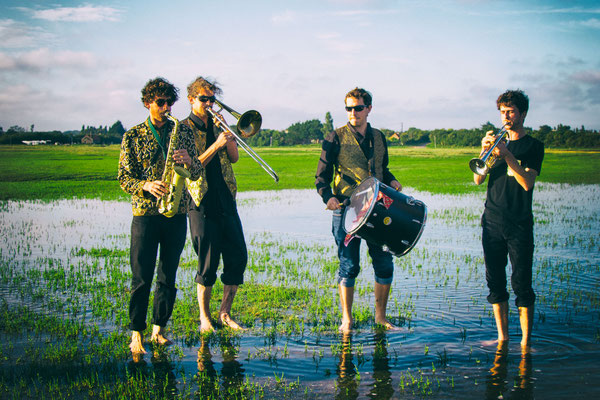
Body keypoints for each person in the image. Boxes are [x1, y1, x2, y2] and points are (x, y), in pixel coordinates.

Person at [118, 77, 203, 355]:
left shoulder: (183, 132)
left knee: (168, 274)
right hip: (145, 212)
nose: (167, 107)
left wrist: (190, 162)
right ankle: (136, 333)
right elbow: (123, 177)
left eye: (170, 102)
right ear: (148, 103)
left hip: (175, 211)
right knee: (141, 277)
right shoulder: (132, 136)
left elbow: (197, 171)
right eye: (161, 102)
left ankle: (159, 329)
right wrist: (145, 185)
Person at [315, 87, 402, 332]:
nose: (353, 112)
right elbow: (321, 177)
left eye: (358, 108)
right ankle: (347, 320)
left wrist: (392, 180)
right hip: (346, 211)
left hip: (378, 210)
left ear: (369, 109)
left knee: (384, 263)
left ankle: (381, 318)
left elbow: (383, 169)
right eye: (349, 108)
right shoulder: (335, 137)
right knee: (349, 265)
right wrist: (328, 198)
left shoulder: (379, 137)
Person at [474, 89, 544, 353]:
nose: (506, 116)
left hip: (519, 222)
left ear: (523, 114)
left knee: (522, 282)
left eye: (511, 111)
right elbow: (477, 179)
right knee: (495, 282)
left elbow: (527, 182)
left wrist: (507, 156)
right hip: (492, 220)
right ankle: (502, 338)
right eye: (503, 111)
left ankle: (526, 342)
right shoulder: (495, 144)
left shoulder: (534, 146)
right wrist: (486, 153)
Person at [181, 76, 248, 333]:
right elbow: (190, 167)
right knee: (207, 262)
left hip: (226, 197)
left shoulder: (218, 124)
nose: (208, 103)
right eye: (203, 99)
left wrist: (228, 137)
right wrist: (216, 144)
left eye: (212, 99)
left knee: (237, 257)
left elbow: (234, 158)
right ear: (191, 99)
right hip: (201, 200)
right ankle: (204, 317)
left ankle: (225, 313)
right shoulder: (184, 128)